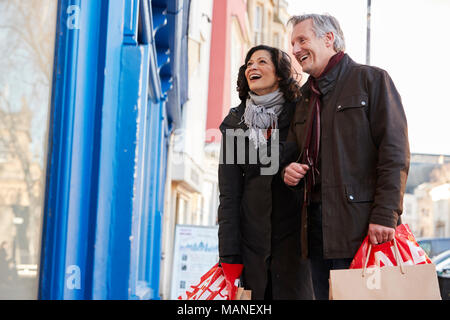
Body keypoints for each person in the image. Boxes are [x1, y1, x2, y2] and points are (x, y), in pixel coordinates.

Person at [283, 14, 410, 300]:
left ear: (329, 39)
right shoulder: (303, 98)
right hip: (314, 232)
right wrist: (287, 170)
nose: (295, 49)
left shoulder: (371, 80)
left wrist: (385, 215)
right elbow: (291, 153)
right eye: (293, 43)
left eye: (302, 40)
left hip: (362, 228)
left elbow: (394, 153)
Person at [218, 45, 313, 299]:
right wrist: (228, 256)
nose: (252, 67)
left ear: (280, 74)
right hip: (252, 249)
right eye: (249, 63)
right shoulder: (235, 122)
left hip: (296, 247)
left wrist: (285, 169)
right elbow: (229, 194)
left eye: (261, 62)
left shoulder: (301, 113)